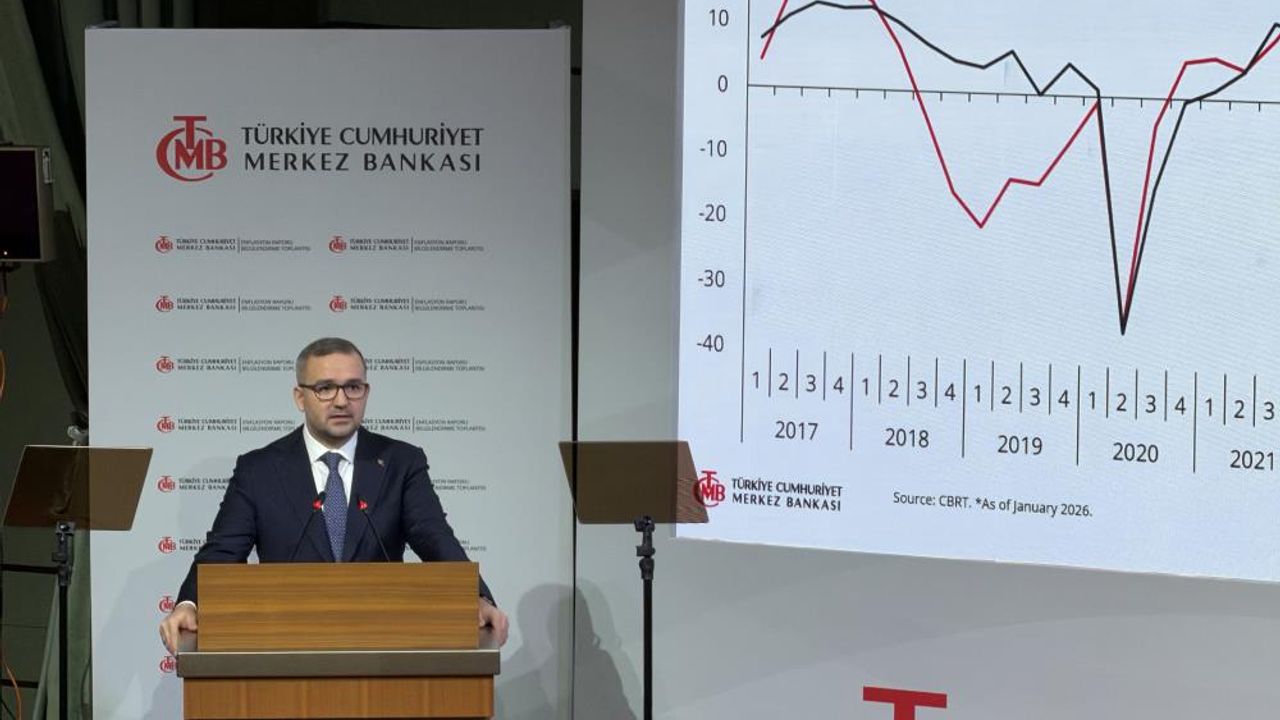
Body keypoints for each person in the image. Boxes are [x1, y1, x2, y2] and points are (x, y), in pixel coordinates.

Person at [159, 337, 508, 652]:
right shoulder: (259, 469)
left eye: (353, 387)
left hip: (381, 647)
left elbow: (435, 537)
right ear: (300, 397)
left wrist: (476, 597)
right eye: (325, 388)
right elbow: (223, 551)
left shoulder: (401, 462)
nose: (341, 401)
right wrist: (189, 604)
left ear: (366, 392)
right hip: (286, 646)